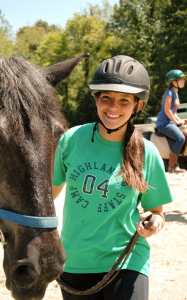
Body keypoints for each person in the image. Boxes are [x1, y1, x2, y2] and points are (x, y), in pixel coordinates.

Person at [52, 55, 174, 300]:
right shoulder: (71, 140)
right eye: (106, 97)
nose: (113, 107)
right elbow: (46, 195)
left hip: (127, 260)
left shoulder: (146, 152)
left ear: (137, 106)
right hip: (75, 260)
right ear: (96, 98)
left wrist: (154, 225)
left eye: (124, 101)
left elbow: (157, 212)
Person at [156, 69, 187, 173]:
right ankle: (172, 166)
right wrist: (176, 122)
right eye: (181, 79)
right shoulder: (170, 93)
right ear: (174, 82)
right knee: (181, 138)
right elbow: (167, 110)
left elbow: (173, 112)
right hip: (164, 123)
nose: (184, 81)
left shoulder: (176, 94)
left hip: (170, 122)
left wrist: (180, 120)